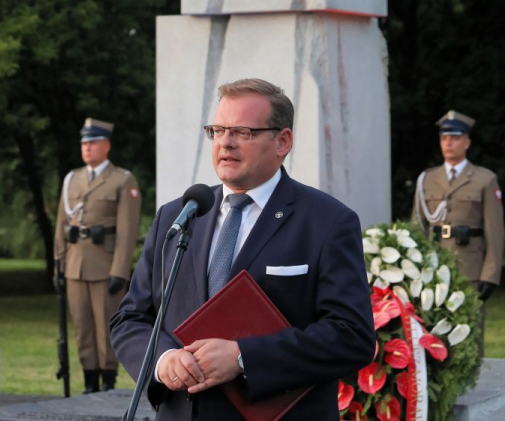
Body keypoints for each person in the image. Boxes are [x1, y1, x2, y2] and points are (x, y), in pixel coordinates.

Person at [110, 78, 375, 420]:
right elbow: (130, 318)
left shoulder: (327, 222)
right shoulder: (178, 215)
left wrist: (243, 357)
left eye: (242, 132)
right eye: (217, 130)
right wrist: (163, 361)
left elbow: (351, 336)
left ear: (282, 141)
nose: (225, 143)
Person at [54, 117, 142, 393]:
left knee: (107, 327)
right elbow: (61, 225)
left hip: (105, 266)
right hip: (75, 265)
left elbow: (127, 230)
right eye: (84, 143)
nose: (87, 148)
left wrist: (120, 270)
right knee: (83, 327)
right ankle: (89, 380)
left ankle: (108, 381)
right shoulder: (72, 179)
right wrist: (59, 265)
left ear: (106, 145)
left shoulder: (122, 180)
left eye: (92, 143)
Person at [412, 110, 505, 301]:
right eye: (444, 138)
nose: (448, 143)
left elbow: (495, 232)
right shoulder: (426, 180)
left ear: (467, 143)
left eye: (454, 138)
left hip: (470, 268)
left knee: (470, 328)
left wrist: (490, 275)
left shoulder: (485, 180)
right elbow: (417, 227)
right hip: (433, 266)